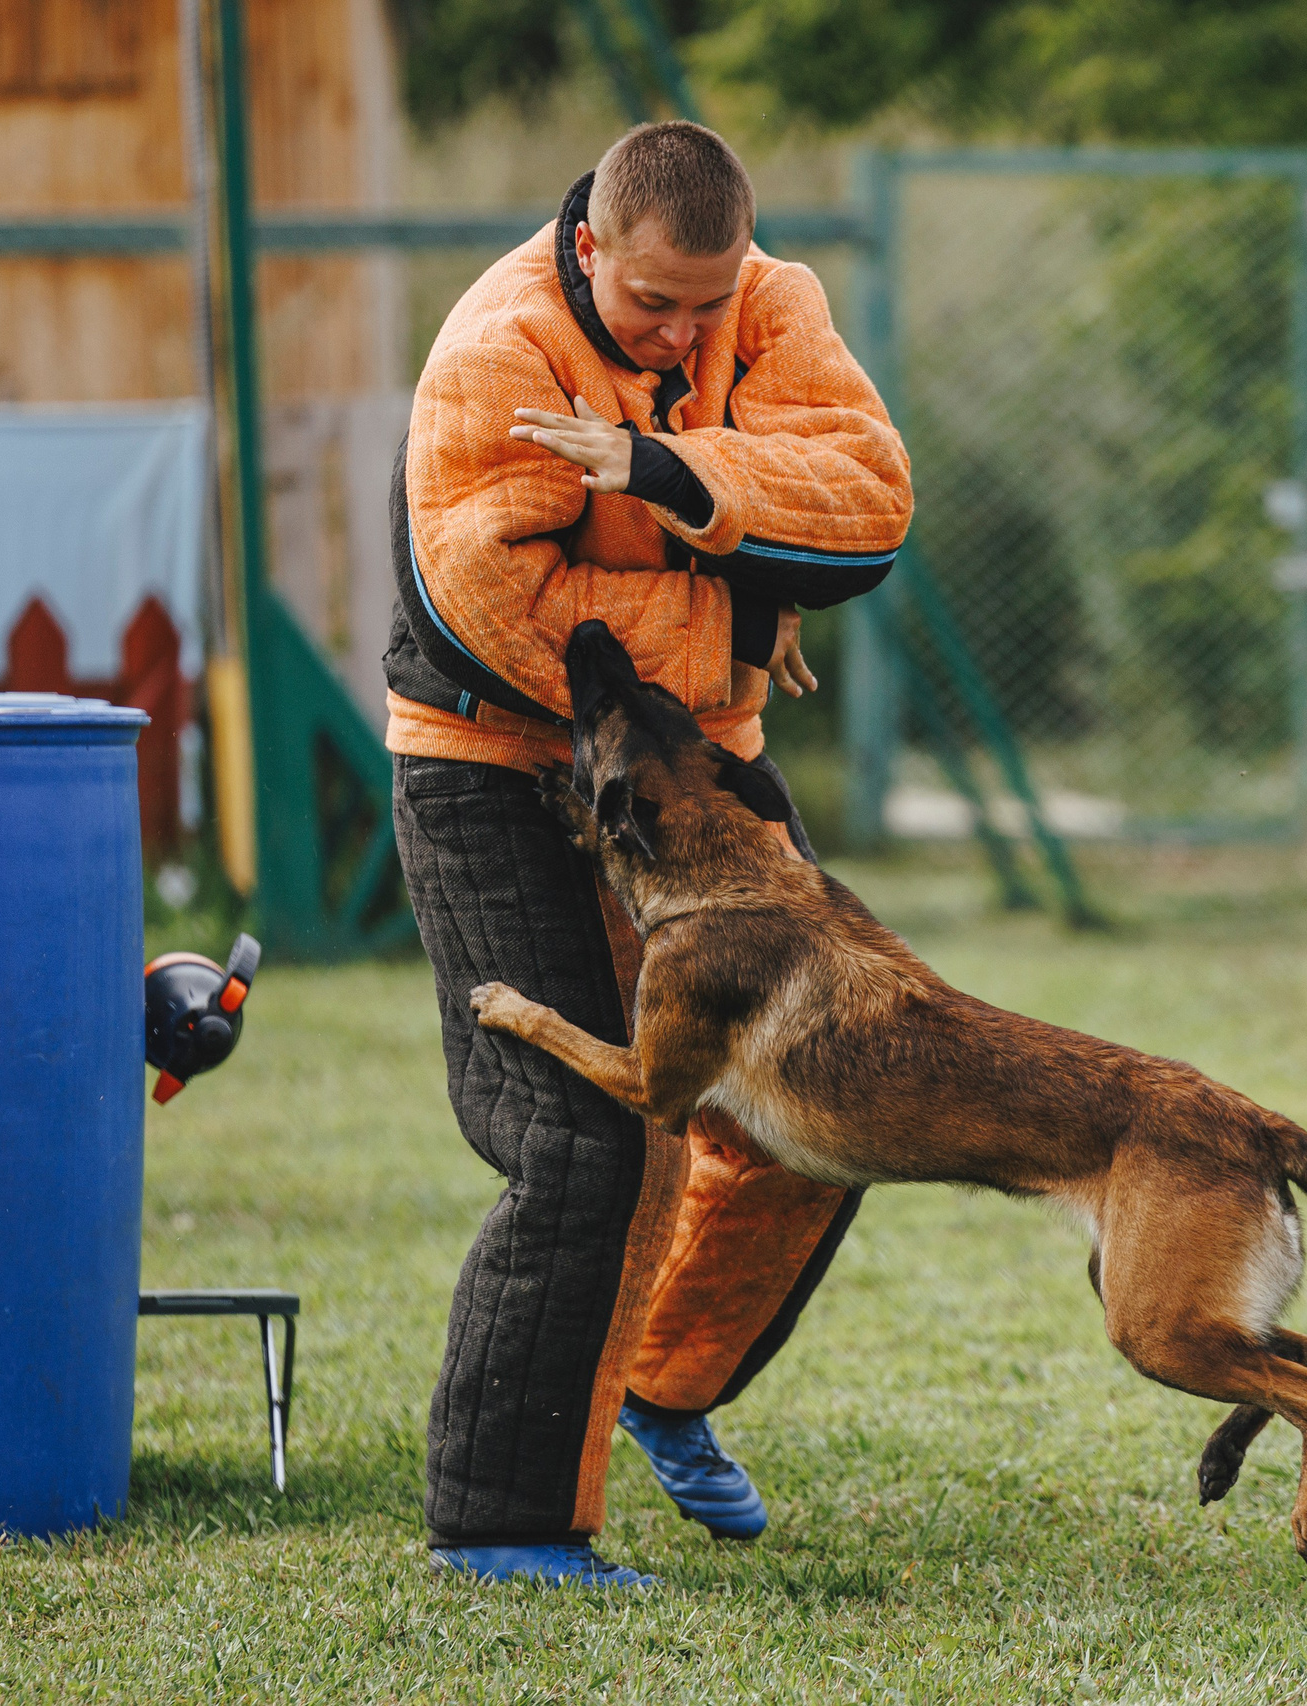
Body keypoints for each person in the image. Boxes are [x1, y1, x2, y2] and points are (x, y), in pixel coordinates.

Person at [384, 121, 912, 1586]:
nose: (687, 329)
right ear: (591, 246)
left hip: (699, 774)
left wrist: (677, 478)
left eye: (709, 302)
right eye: (652, 308)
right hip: (501, 759)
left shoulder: (774, 299)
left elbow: (868, 499)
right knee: (581, 1141)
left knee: (839, 1083)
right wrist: (741, 596)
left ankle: (665, 1383)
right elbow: (501, 607)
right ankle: (503, 1524)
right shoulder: (498, 350)